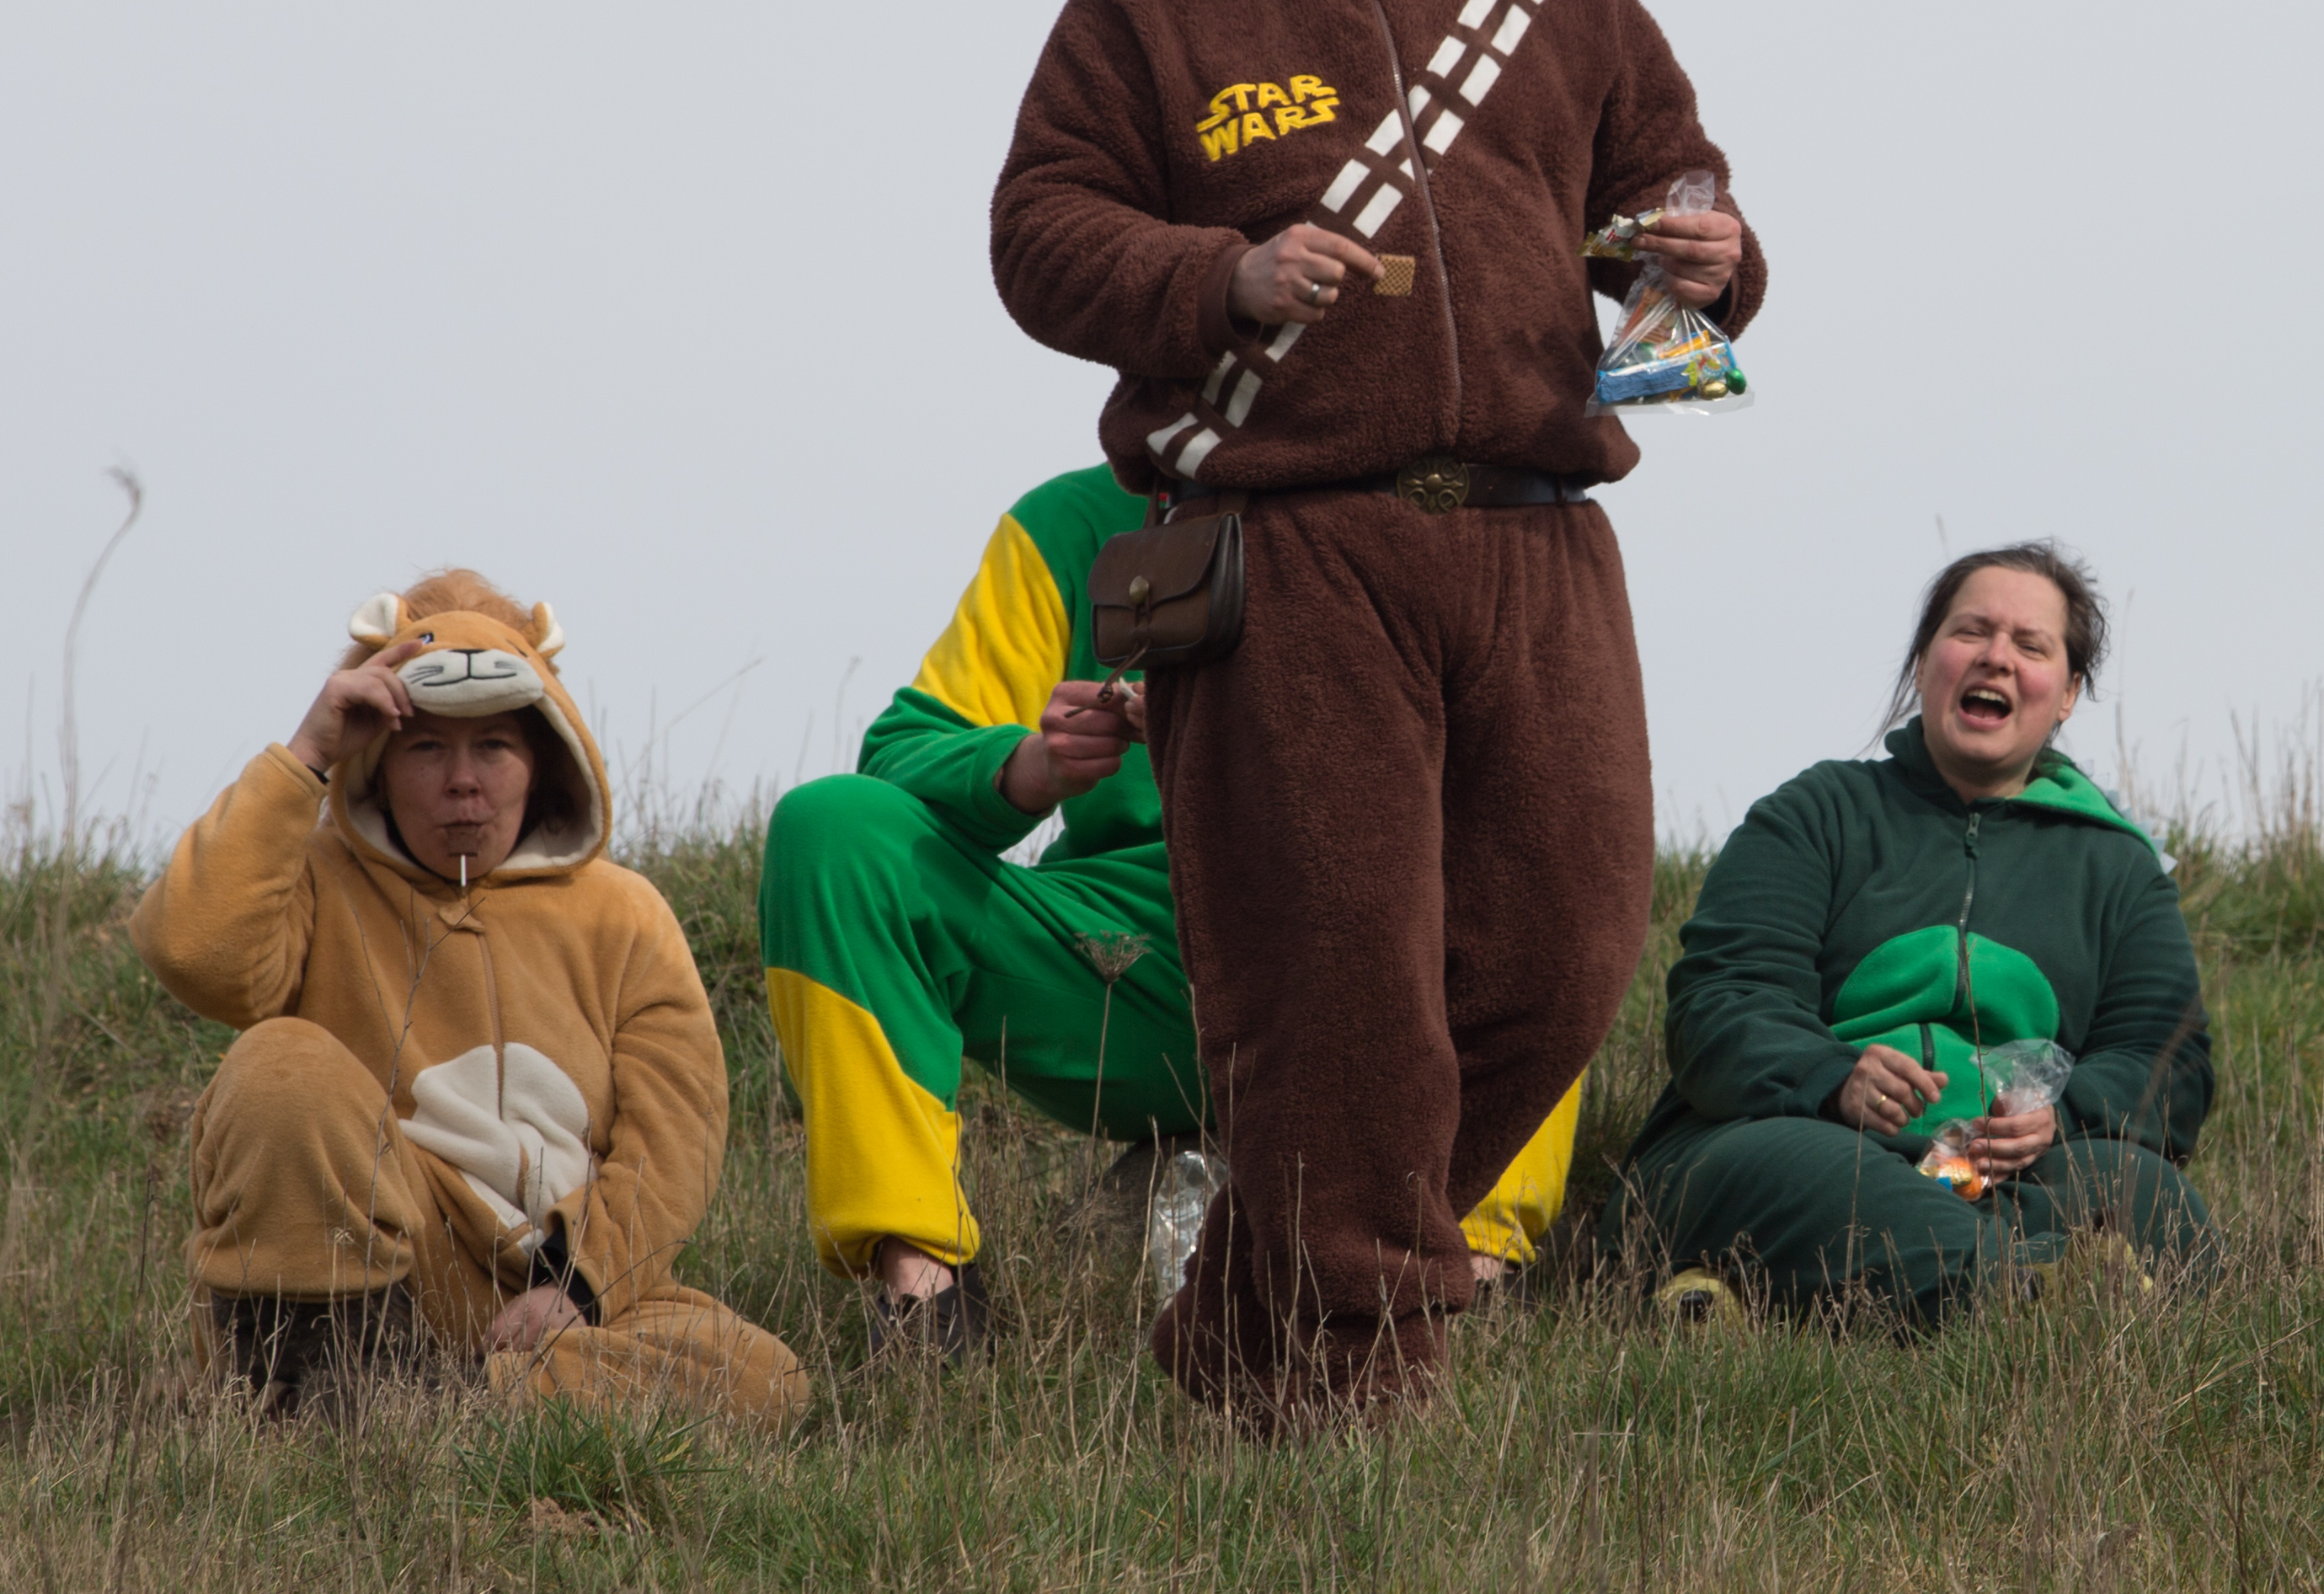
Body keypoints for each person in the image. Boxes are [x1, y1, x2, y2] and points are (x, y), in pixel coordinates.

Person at [986, 0, 1763, 1430]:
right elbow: (1037, 232)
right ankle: (1359, 1387)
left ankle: (1242, 1327)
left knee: (1568, 949)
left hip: (1538, 530)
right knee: (1338, 983)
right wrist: (1222, 273)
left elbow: (1673, 184)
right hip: (1291, 546)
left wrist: (1719, 255)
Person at [759, 463, 1585, 1351]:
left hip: (1368, 966)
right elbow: (903, 754)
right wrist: (1029, 764)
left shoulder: (1443, 510)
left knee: (1551, 848)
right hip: (1133, 966)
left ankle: (1476, 1267)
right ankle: (926, 1297)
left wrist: (1264, 745)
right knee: (831, 830)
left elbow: (1518, 792)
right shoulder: (1069, 522)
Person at [132, 574, 804, 1419]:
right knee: (280, 1064)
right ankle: (309, 1369)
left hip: (547, 1289)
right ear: (376, 763)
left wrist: (580, 1284)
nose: (462, 781)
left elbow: (677, 1131)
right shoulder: (314, 878)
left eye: (493, 745)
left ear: (543, 759)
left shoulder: (626, 912)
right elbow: (195, 952)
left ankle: (421, 1404)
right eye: (425, 748)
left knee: (761, 1378)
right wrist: (305, 754)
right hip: (383, 1256)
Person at [1604, 545, 2217, 1320]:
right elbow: (1720, 1007)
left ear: (2067, 694)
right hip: (1798, 1143)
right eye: (1971, 632)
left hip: (2004, 1174)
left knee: (2149, 1195)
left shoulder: (2120, 869)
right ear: (1925, 661)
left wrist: (2060, 1119)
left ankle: (1767, 1301)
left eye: (2031, 646)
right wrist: (1833, 1079)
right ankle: (2035, 1298)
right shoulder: (1812, 815)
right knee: (1830, 1178)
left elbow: (2170, 1062)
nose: (1997, 657)